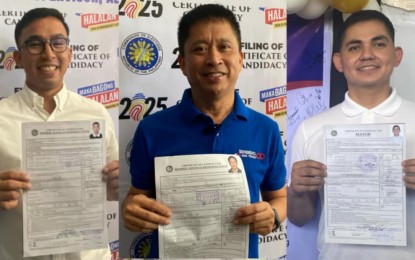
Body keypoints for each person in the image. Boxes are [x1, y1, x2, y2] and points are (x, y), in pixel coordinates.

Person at [121, 4, 286, 258]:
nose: (213, 58)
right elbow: (136, 197)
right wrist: (131, 209)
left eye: (224, 47)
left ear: (241, 59)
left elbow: (280, 198)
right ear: (183, 63)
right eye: (199, 49)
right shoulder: (152, 129)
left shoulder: (266, 130)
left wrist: (273, 214)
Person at [288, 10, 415, 259]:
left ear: (396, 55)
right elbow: (299, 218)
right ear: (338, 61)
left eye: (378, 44)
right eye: (355, 47)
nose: (367, 54)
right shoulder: (310, 129)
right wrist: (296, 191)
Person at [0, 8, 119, 260]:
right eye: (34, 44)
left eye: (58, 42)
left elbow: (118, 189)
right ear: (18, 58)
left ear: (69, 53)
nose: (48, 52)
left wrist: (118, 186)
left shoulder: (96, 113)